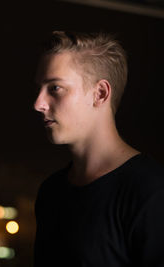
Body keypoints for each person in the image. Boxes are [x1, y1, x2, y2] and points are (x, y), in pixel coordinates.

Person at [33, 31, 164, 266]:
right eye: (40, 89)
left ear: (100, 93)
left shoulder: (151, 191)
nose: (38, 104)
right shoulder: (50, 192)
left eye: (54, 88)